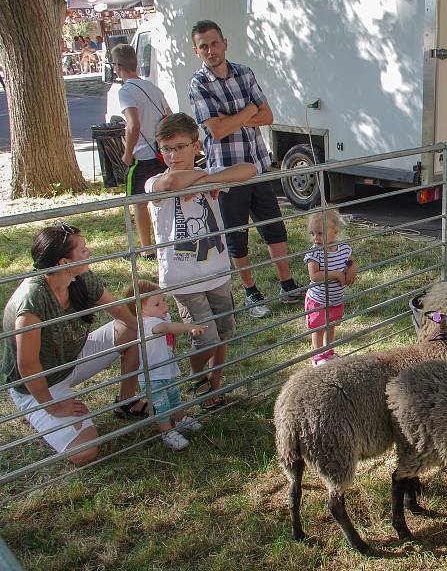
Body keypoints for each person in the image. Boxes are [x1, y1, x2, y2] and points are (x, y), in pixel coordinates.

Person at [188, 19, 304, 319]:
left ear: (225, 42)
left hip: (259, 167)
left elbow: (267, 116)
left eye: (214, 43)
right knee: (237, 237)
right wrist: (248, 110)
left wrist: (238, 116)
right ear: (196, 51)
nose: (210, 50)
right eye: (204, 46)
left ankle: (287, 283)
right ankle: (251, 291)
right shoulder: (199, 84)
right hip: (226, 174)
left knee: (274, 229)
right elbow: (217, 131)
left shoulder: (244, 72)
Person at [1, 223, 144, 465]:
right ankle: (40, 413)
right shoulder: (32, 301)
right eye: (84, 249)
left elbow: (118, 309)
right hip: (40, 383)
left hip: (73, 357)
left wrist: (146, 329)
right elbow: (27, 364)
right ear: (64, 263)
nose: (89, 252)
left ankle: (126, 401)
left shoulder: (81, 277)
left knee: (134, 329)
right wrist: (53, 406)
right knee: (84, 452)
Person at [146, 113, 256, 411]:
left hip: (217, 270)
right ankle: (198, 378)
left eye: (180, 147)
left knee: (225, 332)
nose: (173, 155)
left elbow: (249, 168)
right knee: (205, 338)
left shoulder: (206, 174)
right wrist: (208, 179)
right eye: (166, 149)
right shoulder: (153, 181)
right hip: (184, 277)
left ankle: (215, 384)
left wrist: (210, 179)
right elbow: (171, 182)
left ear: (197, 146)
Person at [124, 280, 206, 450]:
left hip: (166, 371)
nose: (164, 305)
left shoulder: (158, 317)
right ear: (141, 310)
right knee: (162, 406)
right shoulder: (147, 323)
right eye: (157, 303)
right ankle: (167, 432)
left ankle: (180, 420)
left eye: (163, 300)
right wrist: (188, 327)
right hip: (153, 376)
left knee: (174, 398)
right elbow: (168, 327)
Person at [111, 44, 172, 258]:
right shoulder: (153, 87)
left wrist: (128, 154)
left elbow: (133, 124)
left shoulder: (125, 91)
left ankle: (147, 250)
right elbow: (170, 117)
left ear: (117, 66)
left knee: (138, 202)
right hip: (161, 154)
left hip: (143, 156)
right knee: (164, 199)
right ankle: (167, 240)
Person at [303, 209, 357, 366]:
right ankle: (317, 357)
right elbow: (314, 276)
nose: (316, 238)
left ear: (335, 232)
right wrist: (335, 275)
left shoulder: (343, 248)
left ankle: (329, 352)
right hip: (318, 300)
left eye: (320, 233)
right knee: (319, 329)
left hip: (335, 299)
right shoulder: (315, 253)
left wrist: (353, 267)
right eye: (313, 233)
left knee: (331, 327)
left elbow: (351, 261)